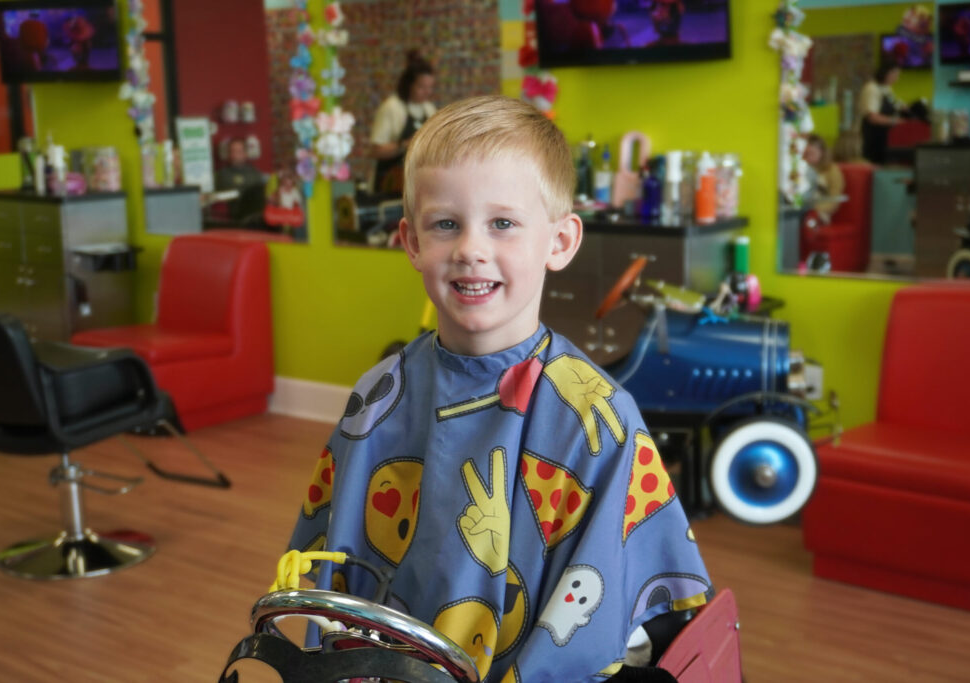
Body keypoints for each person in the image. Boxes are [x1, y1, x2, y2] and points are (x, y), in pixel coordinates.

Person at [286, 95, 711, 682]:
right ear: (411, 242)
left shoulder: (595, 416)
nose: (470, 249)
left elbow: (612, 613)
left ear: (559, 242)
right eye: (445, 224)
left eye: (503, 223)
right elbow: (331, 580)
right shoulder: (380, 395)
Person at [369, 50, 436, 195]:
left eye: (430, 87)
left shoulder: (429, 109)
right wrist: (406, 144)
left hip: (417, 186)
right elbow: (376, 151)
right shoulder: (392, 107)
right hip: (391, 184)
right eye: (421, 87)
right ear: (408, 85)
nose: (427, 92)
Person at [858, 61, 906, 164]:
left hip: (885, 139)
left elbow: (895, 105)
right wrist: (896, 121)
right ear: (887, 73)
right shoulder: (871, 89)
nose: (896, 79)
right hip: (872, 138)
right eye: (895, 75)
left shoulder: (886, 89)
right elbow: (872, 117)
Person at [214, 138, 266, 223]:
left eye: (238, 152)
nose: (234, 155)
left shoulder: (255, 174)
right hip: (230, 219)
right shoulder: (222, 175)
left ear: (245, 154)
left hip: (253, 219)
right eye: (232, 151)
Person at [803, 133, 845, 225]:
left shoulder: (832, 170)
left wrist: (814, 209)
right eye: (805, 154)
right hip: (802, 210)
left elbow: (834, 201)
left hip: (820, 214)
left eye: (812, 154)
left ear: (822, 152)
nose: (808, 158)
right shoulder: (800, 169)